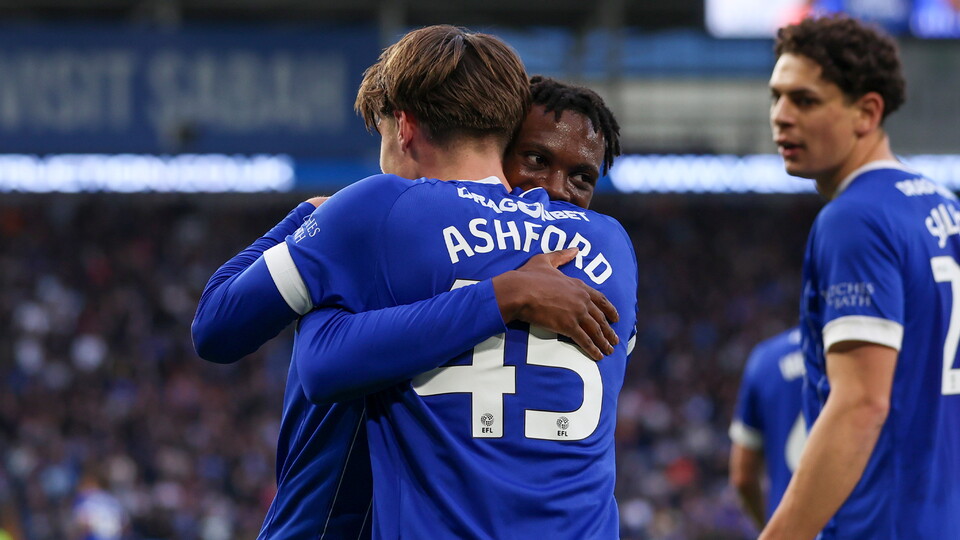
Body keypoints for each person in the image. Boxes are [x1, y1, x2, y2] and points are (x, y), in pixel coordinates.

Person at [191, 31, 628, 540]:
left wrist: (306, 216)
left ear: (403, 126)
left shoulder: (376, 209)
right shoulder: (607, 244)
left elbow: (217, 327)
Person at [761, 15, 960, 540]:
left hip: (879, 524)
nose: (780, 116)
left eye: (804, 100)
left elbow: (861, 405)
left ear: (867, 112)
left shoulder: (855, 218)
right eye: (776, 96)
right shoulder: (944, 205)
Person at [728, 326, 806, 529]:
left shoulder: (765, 358)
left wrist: (769, 529)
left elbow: (742, 477)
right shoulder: (865, 348)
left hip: (790, 528)